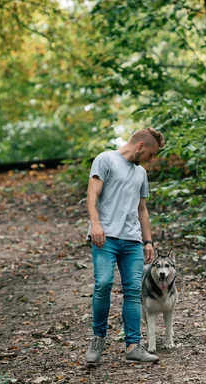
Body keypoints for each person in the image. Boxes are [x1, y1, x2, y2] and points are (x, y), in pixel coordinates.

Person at [84, 127, 165, 364]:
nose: (151, 159)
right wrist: (96, 225)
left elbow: (142, 209)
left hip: (132, 241)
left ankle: (133, 346)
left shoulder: (141, 173)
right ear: (140, 146)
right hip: (105, 237)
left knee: (132, 291)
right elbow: (92, 196)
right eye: (151, 154)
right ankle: (98, 339)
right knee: (103, 284)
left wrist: (148, 241)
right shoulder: (105, 159)